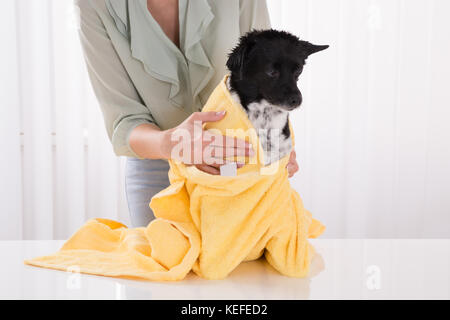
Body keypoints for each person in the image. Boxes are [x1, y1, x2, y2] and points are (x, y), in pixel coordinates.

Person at [76, 0, 299, 227]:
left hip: (241, 160)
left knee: (254, 258)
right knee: (163, 258)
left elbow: (269, 74)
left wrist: (278, 139)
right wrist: (172, 144)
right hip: (159, 164)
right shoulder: (95, 6)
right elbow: (124, 121)